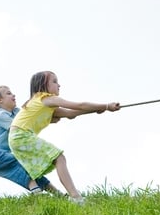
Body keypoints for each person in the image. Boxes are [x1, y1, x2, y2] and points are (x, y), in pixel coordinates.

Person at [9, 71, 120, 204]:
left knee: (56, 160)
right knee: (59, 158)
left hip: (15, 139)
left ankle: (63, 195)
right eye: (54, 81)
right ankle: (76, 197)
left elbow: (70, 114)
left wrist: (96, 109)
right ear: (44, 85)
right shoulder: (47, 98)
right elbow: (79, 105)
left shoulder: (41, 102)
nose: (59, 85)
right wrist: (106, 106)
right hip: (21, 135)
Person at [0, 85, 63, 195]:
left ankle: (57, 194)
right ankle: (35, 189)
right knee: (23, 163)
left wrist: (47, 117)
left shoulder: (16, 112)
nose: (13, 95)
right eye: (8, 93)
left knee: (31, 168)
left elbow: (29, 119)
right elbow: (20, 127)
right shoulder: (1, 116)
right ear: (0, 100)